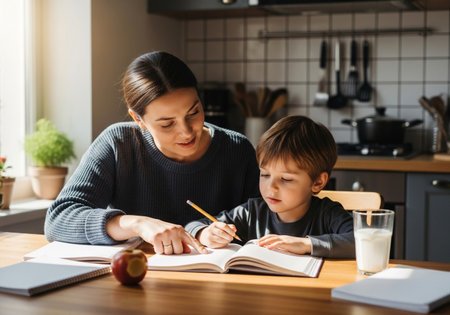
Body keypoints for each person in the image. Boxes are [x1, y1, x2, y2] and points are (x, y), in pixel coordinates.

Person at [45, 51, 260, 255]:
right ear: (138, 120)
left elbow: (266, 224)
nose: (186, 132)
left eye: (193, 112)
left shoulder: (237, 150)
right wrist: (137, 223)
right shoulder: (117, 144)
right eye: (167, 124)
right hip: (136, 281)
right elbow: (58, 220)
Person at [185, 115, 355, 258]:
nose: (271, 187)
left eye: (286, 179)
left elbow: (362, 240)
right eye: (265, 175)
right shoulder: (252, 212)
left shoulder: (328, 214)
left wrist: (306, 244)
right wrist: (205, 233)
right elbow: (192, 226)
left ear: (318, 182)